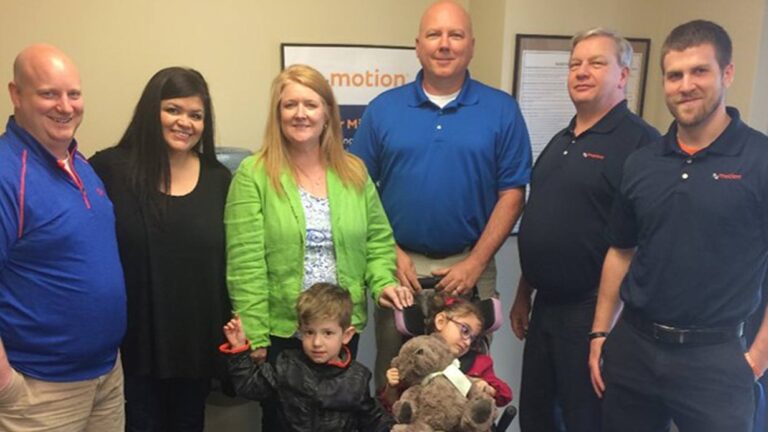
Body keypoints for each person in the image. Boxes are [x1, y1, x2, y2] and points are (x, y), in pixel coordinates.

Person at [589, 20, 768, 432]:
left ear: (727, 73)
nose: (685, 86)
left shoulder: (759, 160)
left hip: (716, 358)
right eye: (674, 75)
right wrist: (599, 333)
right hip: (634, 348)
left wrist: (757, 357)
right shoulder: (643, 163)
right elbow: (621, 251)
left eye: (699, 71)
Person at [349, 0, 532, 389]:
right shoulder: (383, 110)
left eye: (456, 35)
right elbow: (356, 189)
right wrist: (390, 253)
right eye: (434, 35)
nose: (444, 44)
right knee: (397, 379)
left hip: (471, 266)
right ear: (418, 45)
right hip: (400, 267)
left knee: (467, 384)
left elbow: (513, 194)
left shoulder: (501, 110)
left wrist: (476, 263)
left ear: (471, 45)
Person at [225, 63, 412, 430]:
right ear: (277, 113)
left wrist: (383, 283)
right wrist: (256, 335)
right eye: (290, 105)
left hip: (339, 326)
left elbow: (377, 240)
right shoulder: (253, 174)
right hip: (284, 330)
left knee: (340, 420)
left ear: (327, 112)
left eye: (310, 104)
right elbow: (245, 263)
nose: (301, 114)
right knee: (284, 422)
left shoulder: (353, 171)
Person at [510, 28, 659, 432]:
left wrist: (603, 328)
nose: (581, 71)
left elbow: (644, 244)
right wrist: (524, 292)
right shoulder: (561, 140)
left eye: (596, 63)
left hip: (594, 311)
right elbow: (547, 222)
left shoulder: (642, 145)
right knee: (537, 417)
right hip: (546, 307)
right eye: (575, 63)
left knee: (584, 420)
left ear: (623, 75)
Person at [89, 67, 231, 432]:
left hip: (195, 348)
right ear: (151, 110)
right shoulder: (108, 169)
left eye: (196, 115)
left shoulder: (218, 179)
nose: (185, 122)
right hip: (129, 346)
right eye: (173, 110)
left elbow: (229, 263)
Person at [0, 44, 126, 431]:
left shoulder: (82, 165)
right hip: (40, 391)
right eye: (49, 93)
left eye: (74, 94)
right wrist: (5, 385)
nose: (65, 106)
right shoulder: (6, 173)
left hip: (106, 376)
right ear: (16, 94)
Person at [220, 282, 394, 432]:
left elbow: (372, 420)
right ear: (300, 331)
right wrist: (239, 350)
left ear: (346, 335)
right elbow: (250, 386)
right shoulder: (286, 365)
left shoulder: (357, 378)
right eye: (309, 332)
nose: (317, 342)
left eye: (328, 333)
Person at [381, 292, 512, 411]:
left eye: (472, 338)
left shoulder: (479, 362)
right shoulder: (417, 356)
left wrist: (488, 388)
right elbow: (394, 406)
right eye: (465, 330)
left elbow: (505, 395)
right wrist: (391, 387)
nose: (467, 342)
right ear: (441, 321)